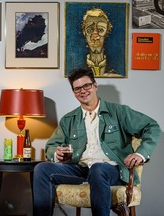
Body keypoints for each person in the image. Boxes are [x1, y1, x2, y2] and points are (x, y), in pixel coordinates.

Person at [33, 67, 161, 216]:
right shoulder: (69, 120)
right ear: (74, 93)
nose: (83, 91)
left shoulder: (119, 112)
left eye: (86, 85)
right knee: (41, 169)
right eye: (77, 88)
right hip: (81, 168)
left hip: (112, 169)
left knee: (98, 169)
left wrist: (141, 153)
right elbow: (51, 146)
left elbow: (152, 127)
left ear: (95, 85)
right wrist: (56, 152)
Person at [82, 8, 121, 77]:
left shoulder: (115, 73)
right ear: (84, 32)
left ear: (107, 32)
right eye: (90, 30)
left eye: (100, 30)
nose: (95, 37)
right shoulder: (77, 71)